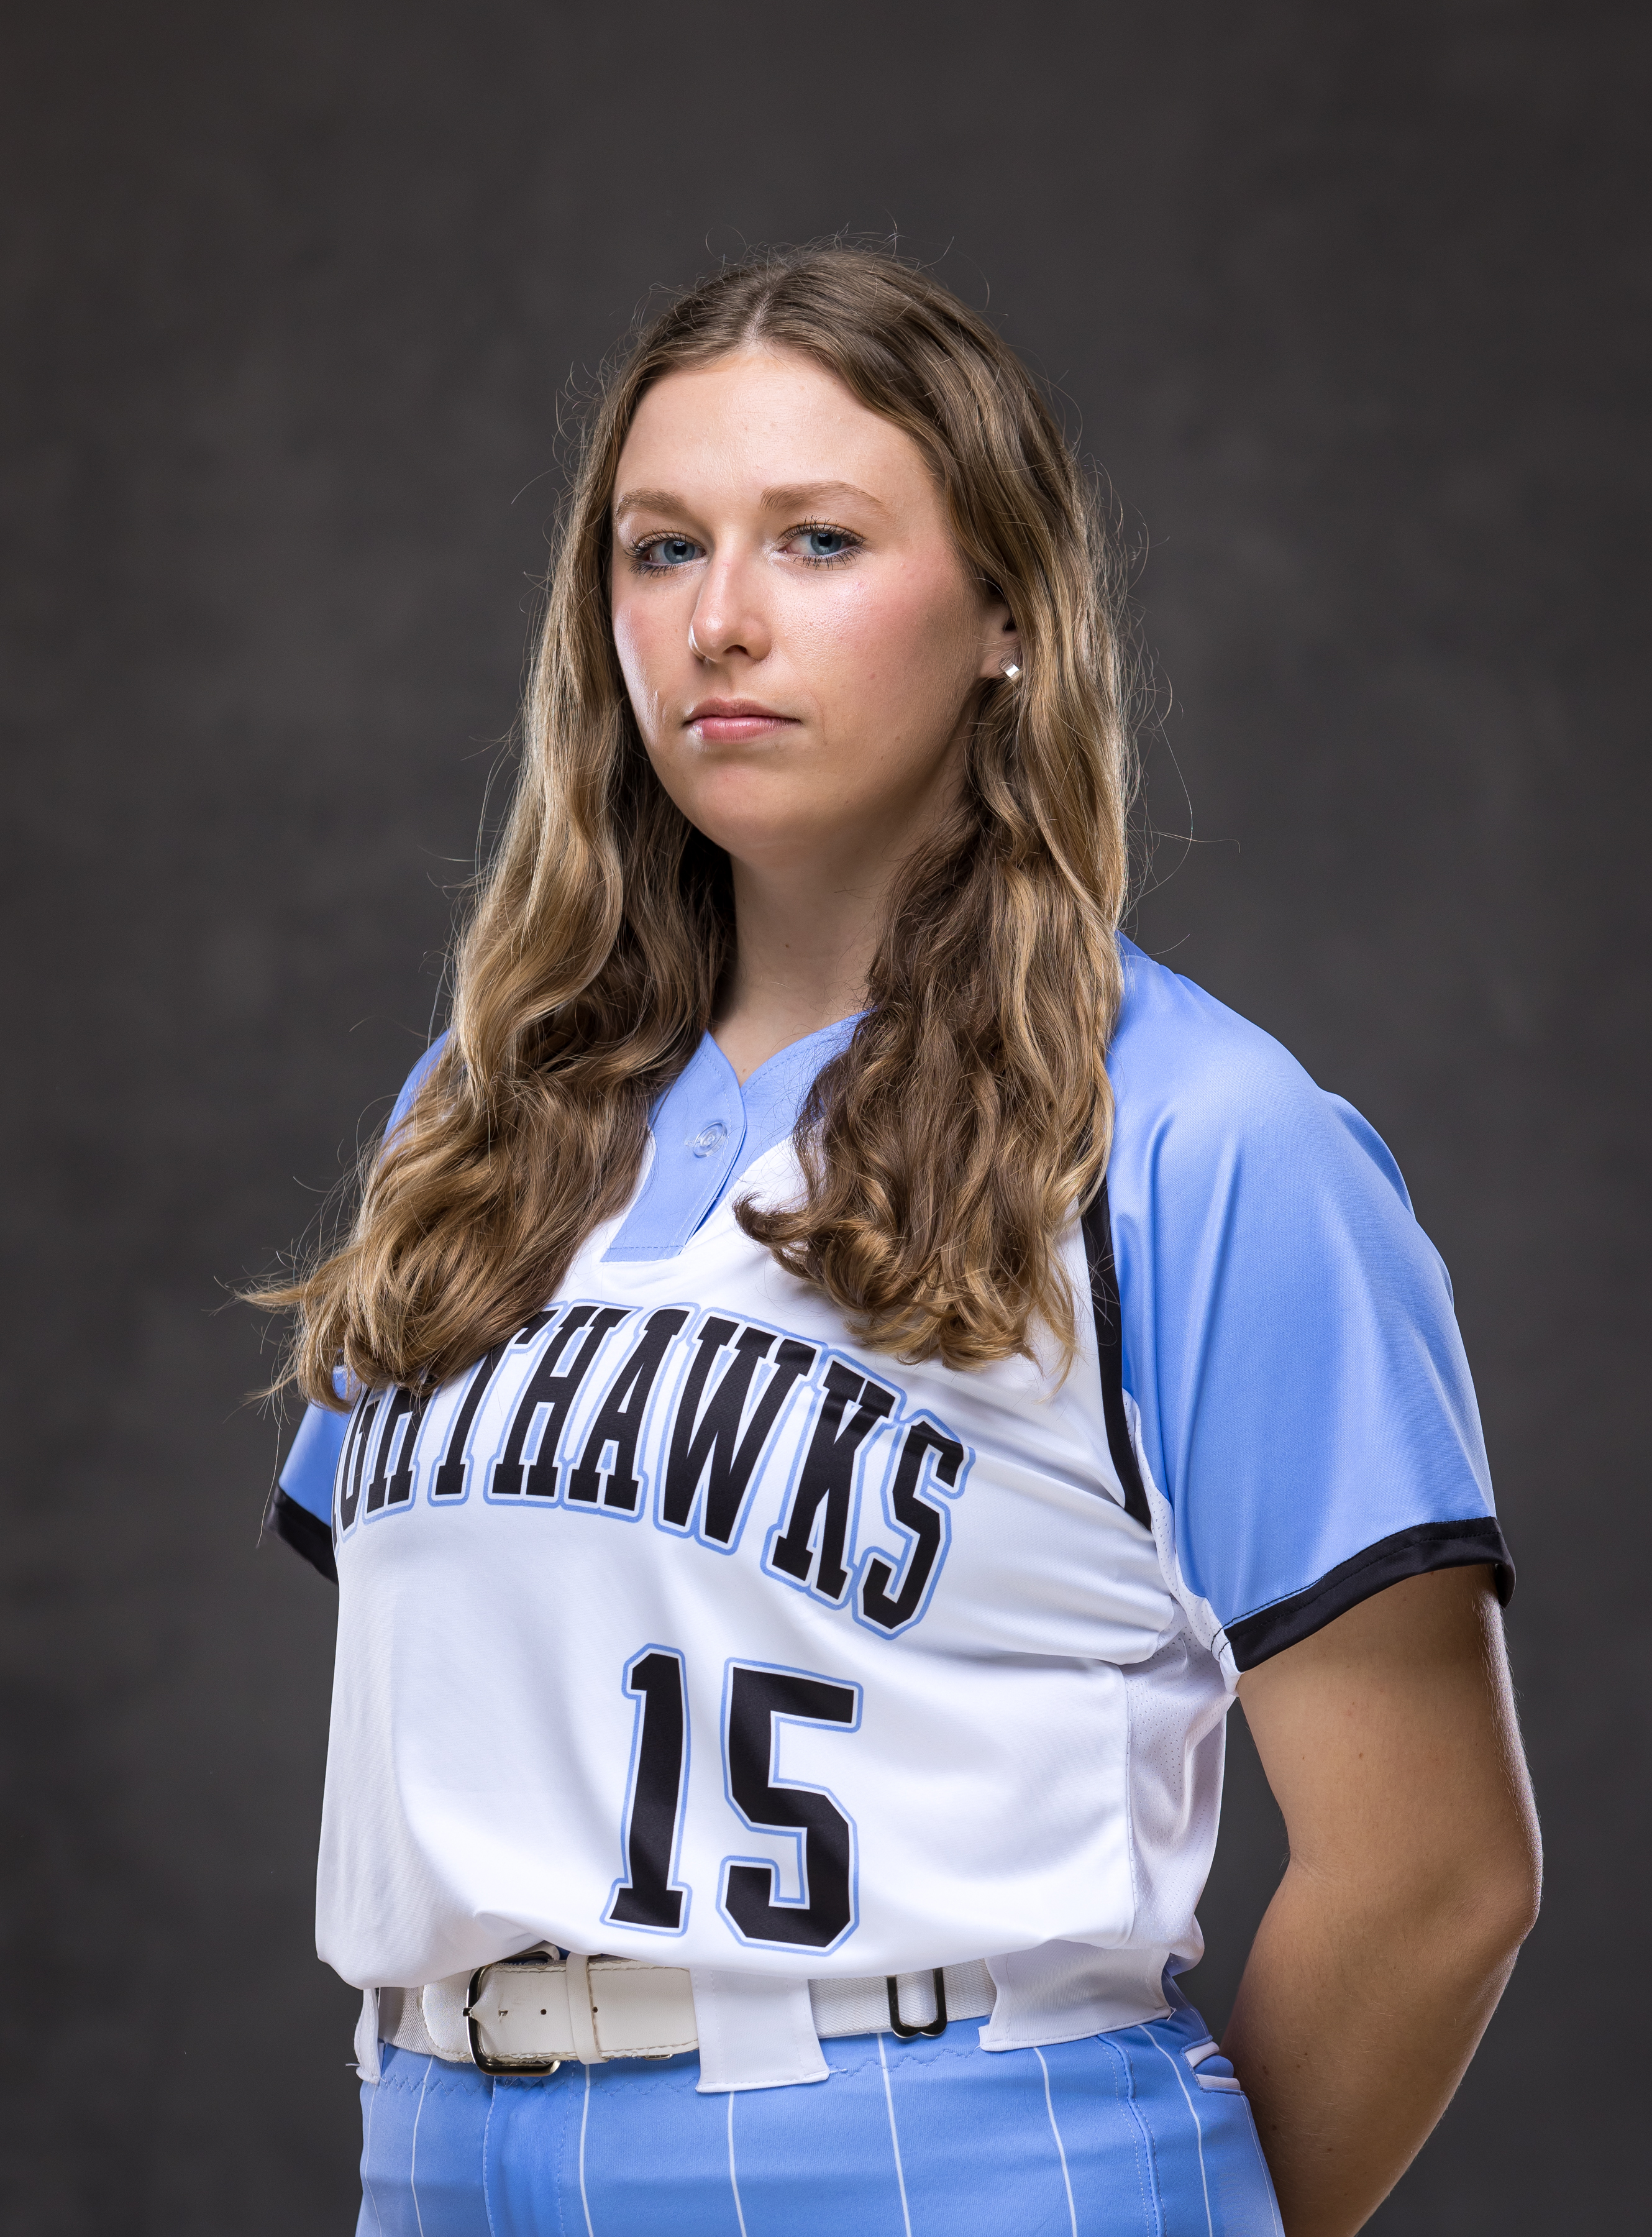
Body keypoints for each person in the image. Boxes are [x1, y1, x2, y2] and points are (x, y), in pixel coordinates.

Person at [257, 247, 1540, 2237]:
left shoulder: (1202, 1138)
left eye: (822, 540)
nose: (723, 623)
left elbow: (1434, 1875)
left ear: (1008, 615)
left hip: (942, 2146)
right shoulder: (477, 1108)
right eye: (660, 549)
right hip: (437, 2141)